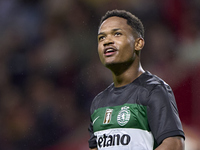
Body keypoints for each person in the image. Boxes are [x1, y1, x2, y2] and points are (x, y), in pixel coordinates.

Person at [88, 9, 185, 150]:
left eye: (117, 34)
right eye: (101, 37)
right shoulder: (98, 103)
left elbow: (174, 144)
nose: (107, 41)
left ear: (138, 43)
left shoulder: (154, 90)